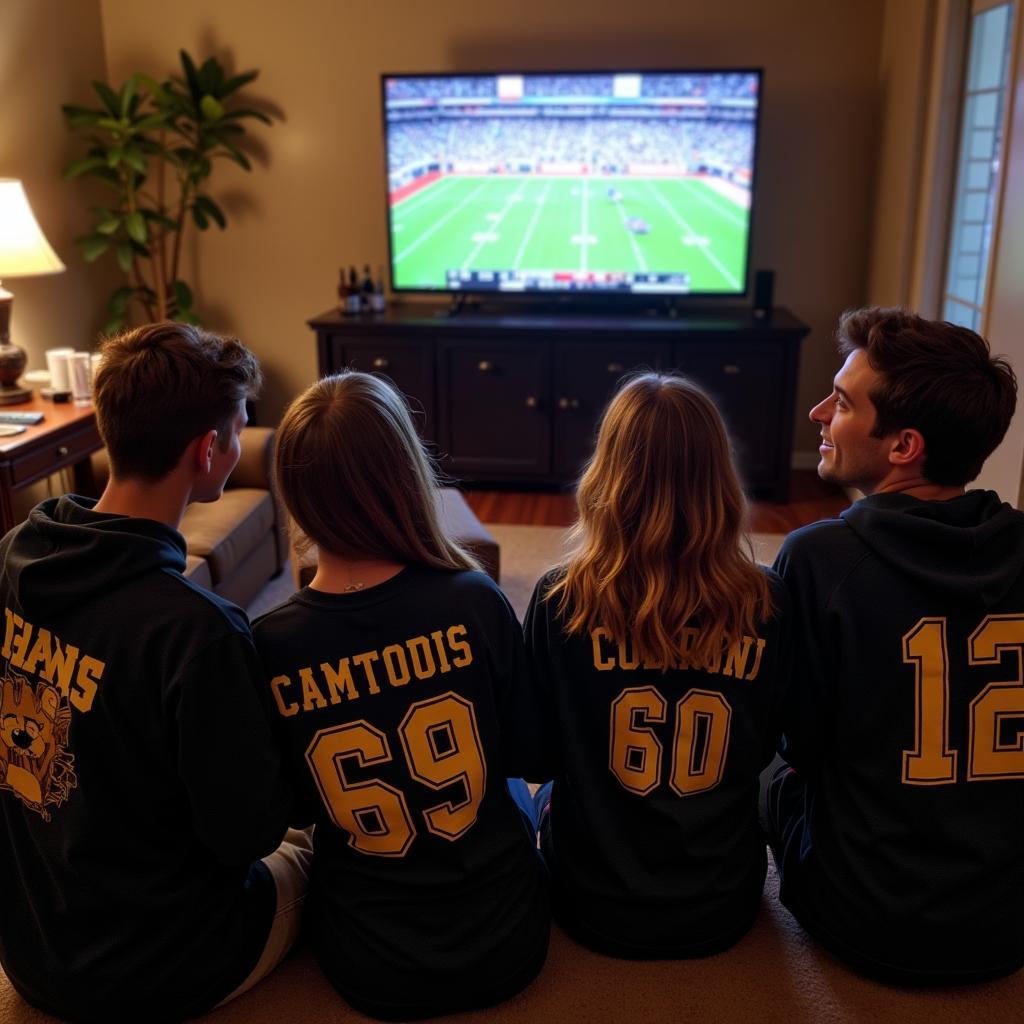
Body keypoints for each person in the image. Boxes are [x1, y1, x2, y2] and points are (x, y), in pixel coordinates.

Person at [0, 321, 311, 1023]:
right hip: (153, 967)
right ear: (208, 451)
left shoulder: (15, 554)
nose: (237, 445)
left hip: (31, 946)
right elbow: (246, 837)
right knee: (320, 851)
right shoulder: (197, 632)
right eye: (237, 430)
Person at [252, 371, 549, 1021]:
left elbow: (292, 807)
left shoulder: (268, 642)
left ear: (294, 494)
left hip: (369, 962)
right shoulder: (476, 600)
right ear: (406, 474)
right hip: (509, 941)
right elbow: (532, 752)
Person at [766, 306, 1022, 983]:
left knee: (755, 760)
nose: (819, 412)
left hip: (863, 920)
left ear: (902, 446)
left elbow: (799, 746)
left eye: (843, 403)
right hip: (1007, 926)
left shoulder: (819, 557)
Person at [524, 372, 789, 958]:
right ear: (720, 477)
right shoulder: (769, 602)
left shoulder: (556, 599)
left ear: (606, 475)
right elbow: (769, 744)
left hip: (589, 902)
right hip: (724, 904)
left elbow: (533, 756)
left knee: (529, 795)